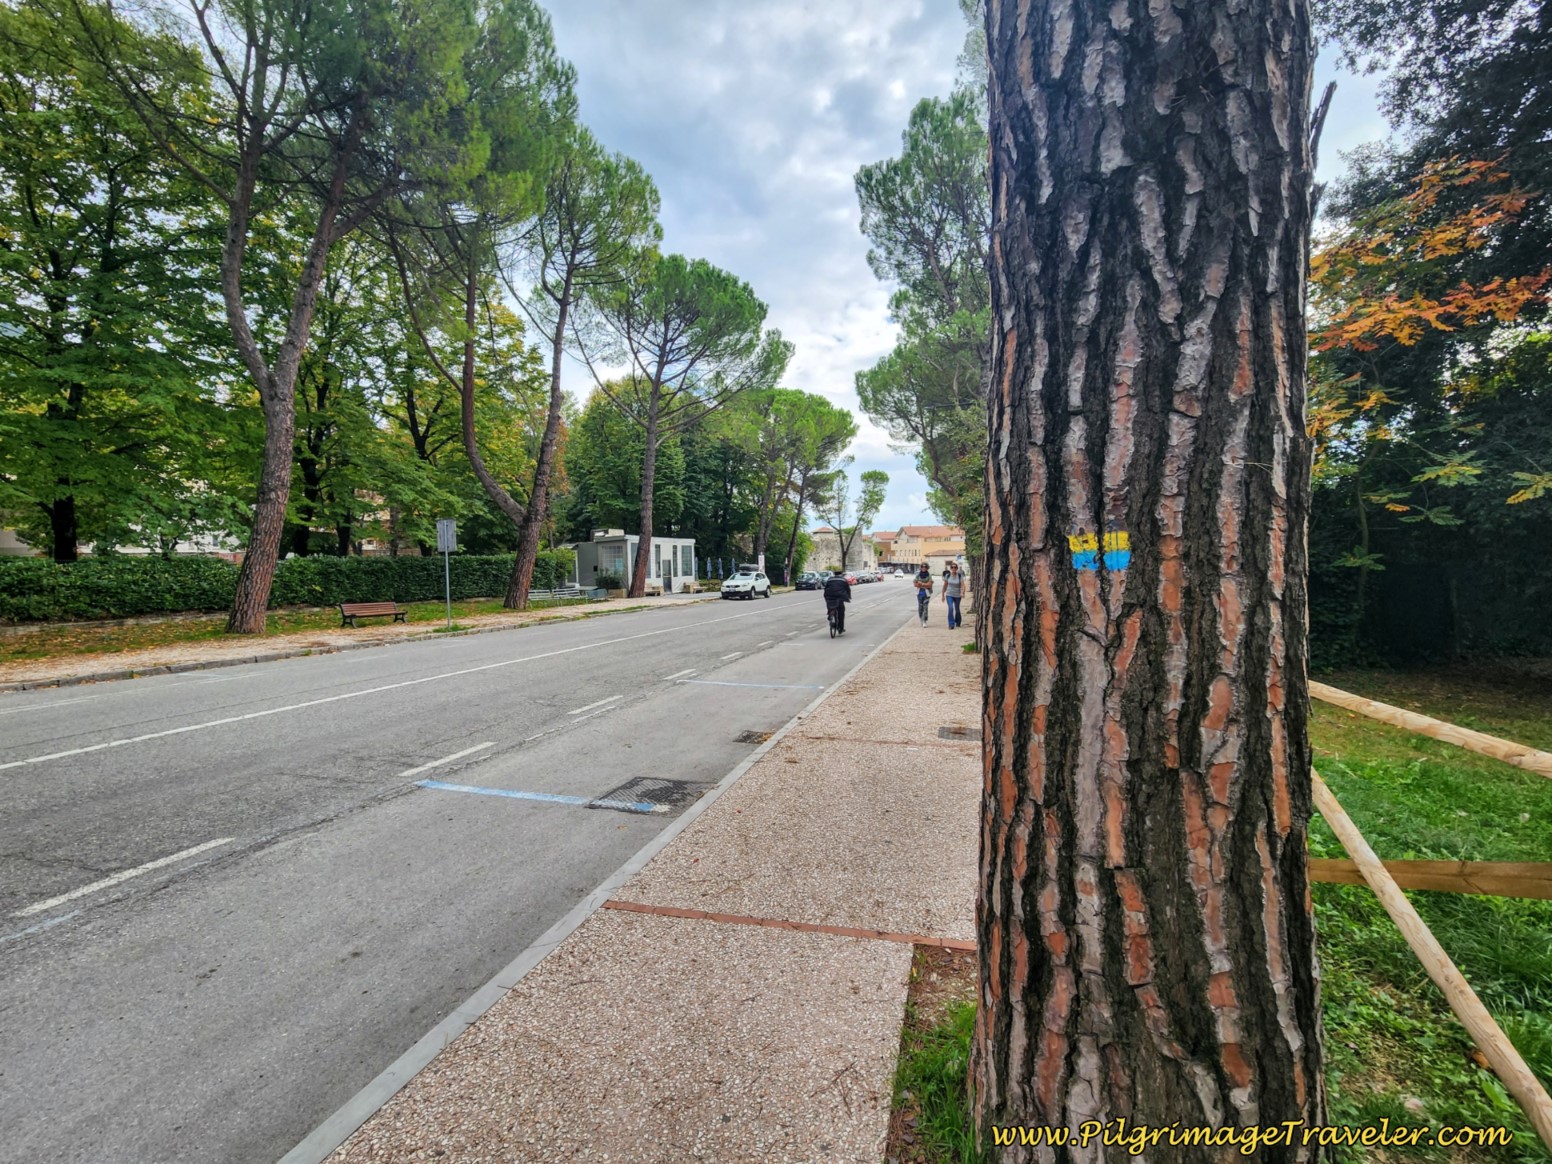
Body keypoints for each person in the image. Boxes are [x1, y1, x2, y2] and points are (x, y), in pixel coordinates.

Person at [822, 570, 852, 634]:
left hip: (830, 595)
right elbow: (847, 589)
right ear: (841, 574)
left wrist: (826, 595)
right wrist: (849, 596)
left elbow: (826, 587)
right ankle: (840, 628)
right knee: (841, 611)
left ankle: (830, 613)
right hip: (840, 596)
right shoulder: (843, 580)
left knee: (830, 604)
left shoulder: (830, 579)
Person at [943, 560, 964, 629]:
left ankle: (958, 621)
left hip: (957, 595)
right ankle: (951, 624)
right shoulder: (948, 575)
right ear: (951, 568)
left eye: (955, 567)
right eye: (952, 567)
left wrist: (962, 592)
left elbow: (962, 585)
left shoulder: (960, 576)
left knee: (957, 609)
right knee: (951, 608)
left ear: (957, 568)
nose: (953, 568)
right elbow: (945, 585)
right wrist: (943, 594)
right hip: (949, 594)